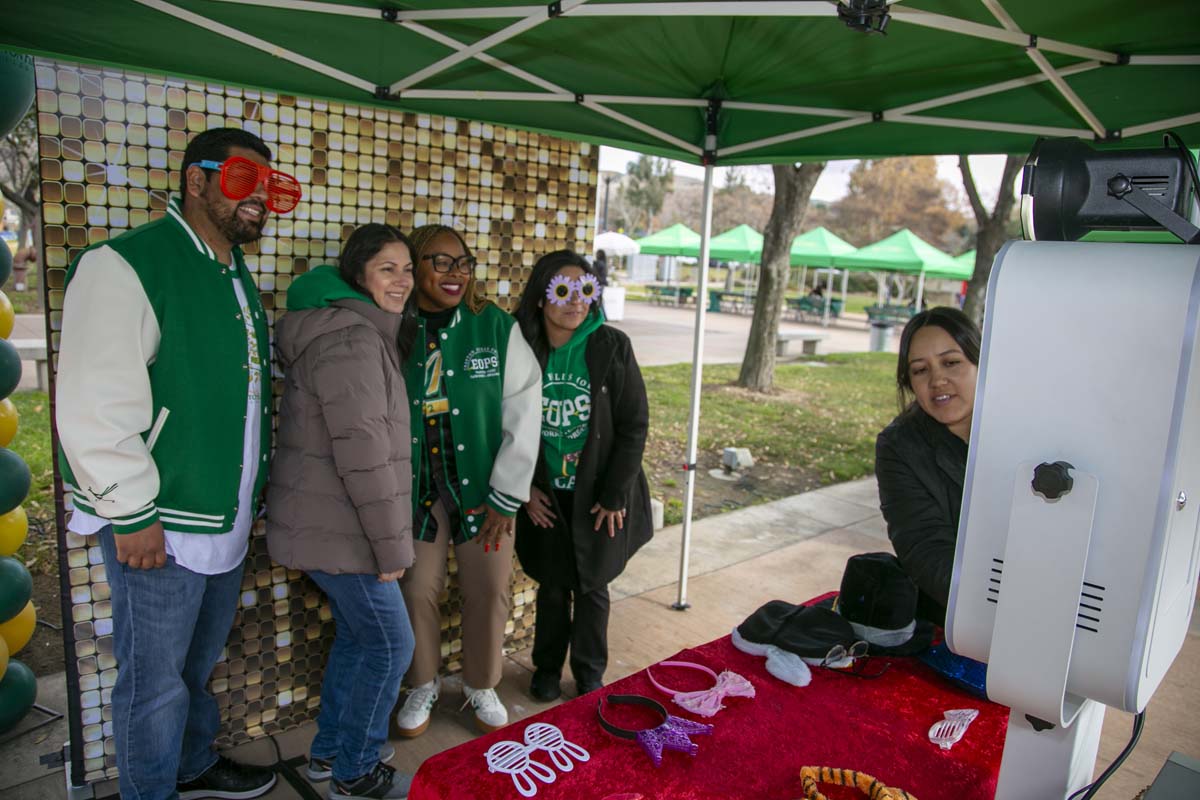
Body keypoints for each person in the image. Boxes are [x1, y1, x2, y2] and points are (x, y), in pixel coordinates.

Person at [56, 128, 284, 800]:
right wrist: (130, 513)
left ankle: (189, 765)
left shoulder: (235, 275)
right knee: (153, 682)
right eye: (244, 180)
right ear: (196, 180)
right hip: (159, 520)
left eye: (269, 187)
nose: (259, 199)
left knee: (193, 666)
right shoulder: (126, 263)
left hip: (223, 513)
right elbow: (94, 405)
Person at [267, 224, 418, 800]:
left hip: (334, 522)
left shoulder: (355, 331)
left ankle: (330, 755)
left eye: (406, 268)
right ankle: (356, 774)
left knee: (361, 639)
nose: (402, 281)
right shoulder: (351, 339)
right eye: (387, 269)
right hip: (344, 529)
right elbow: (365, 456)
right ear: (357, 276)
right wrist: (391, 549)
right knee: (389, 645)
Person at [394, 224, 542, 737]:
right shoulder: (392, 322)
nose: (456, 274)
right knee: (416, 592)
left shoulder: (494, 326)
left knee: (490, 590)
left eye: (464, 263)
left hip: (483, 492)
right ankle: (422, 684)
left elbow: (524, 410)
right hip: (417, 494)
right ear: (415, 266)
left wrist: (507, 497)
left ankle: (481, 683)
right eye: (441, 262)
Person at [512, 250, 653, 701]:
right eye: (563, 290)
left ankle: (590, 671)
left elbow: (634, 424)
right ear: (540, 297)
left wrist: (615, 495)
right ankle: (547, 668)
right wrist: (523, 489)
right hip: (547, 494)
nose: (576, 301)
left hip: (598, 493)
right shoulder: (522, 347)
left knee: (593, 585)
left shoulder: (612, 346)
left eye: (585, 289)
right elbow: (504, 422)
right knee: (553, 587)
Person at [874, 307, 981, 627]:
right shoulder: (899, 447)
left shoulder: (1029, 426)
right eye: (920, 370)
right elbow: (925, 552)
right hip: (956, 619)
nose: (937, 380)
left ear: (983, 362)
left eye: (951, 362)